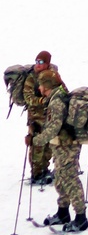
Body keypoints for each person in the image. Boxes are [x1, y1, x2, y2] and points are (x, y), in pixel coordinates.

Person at [31, 69, 88, 232]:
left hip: (67, 146)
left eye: (41, 85)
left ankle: (81, 217)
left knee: (70, 179)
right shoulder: (55, 97)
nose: (39, 89)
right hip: (60, 146)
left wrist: (36, 140)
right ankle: (63, 212)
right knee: (60, 179)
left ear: (48, 85)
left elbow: (54, 127)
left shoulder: (57, 101)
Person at [24, 52, 55, 186]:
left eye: (41, 62)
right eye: (37, 62)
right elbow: (28, 98)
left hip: (49, 116)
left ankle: (45, 168)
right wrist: (42, 100)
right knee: (37, 145)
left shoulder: (52, 76)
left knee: (48, 144)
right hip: (36, 117)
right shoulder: (31, 78)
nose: (38, 65)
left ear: (47, 64)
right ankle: (36, 173)